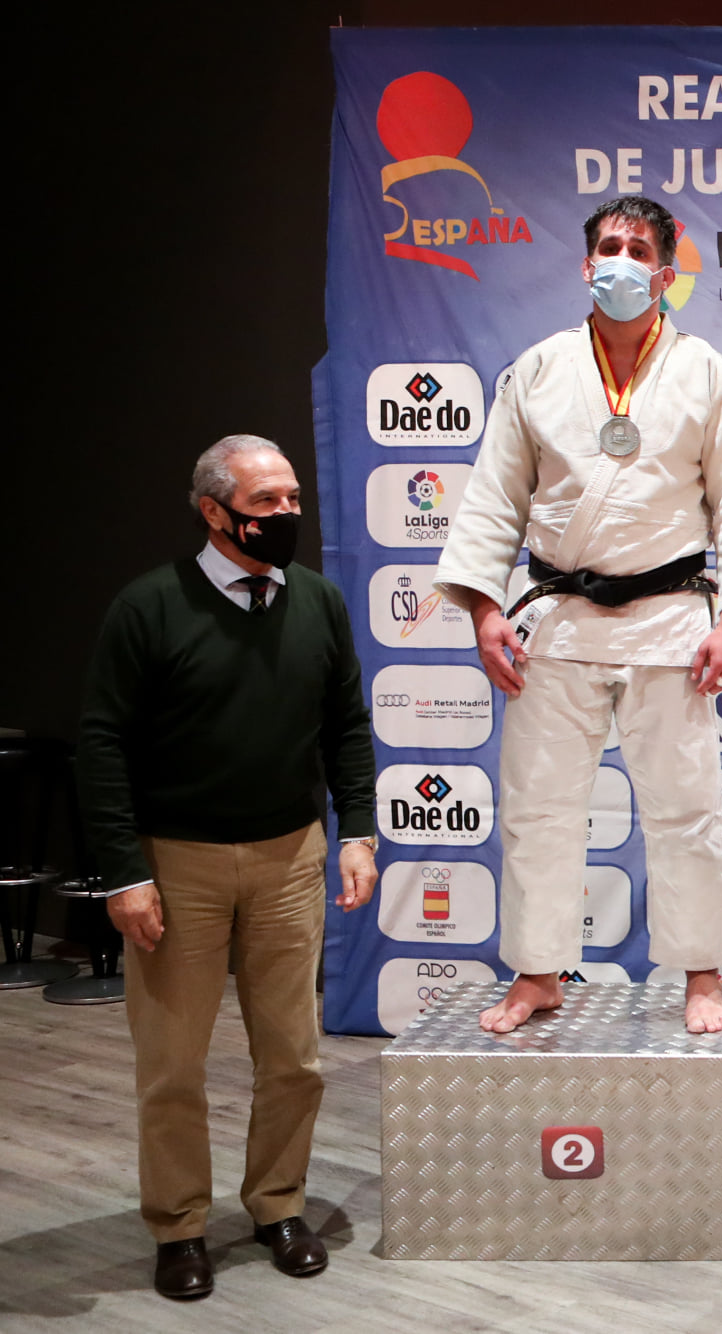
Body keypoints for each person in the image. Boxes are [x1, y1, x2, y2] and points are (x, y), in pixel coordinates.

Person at [435, 195, 722, 1035]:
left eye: (639, 249)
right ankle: (537, 972)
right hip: (559, 618)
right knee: (539, 807)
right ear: (587, 265)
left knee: (685, 809)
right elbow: (493, 500)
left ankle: (703, 974)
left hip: (671, 619)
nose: (622, 261)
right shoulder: (538, 369)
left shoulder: (706, 373)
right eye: (609, 247)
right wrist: (484, 608)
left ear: (665, 273)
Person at [76, 436, 378, 1300]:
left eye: (292, 499)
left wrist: (357, 831)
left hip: (291, 858)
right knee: (172, 1065)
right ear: (213, 511)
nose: (285, 514)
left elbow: (346, 725)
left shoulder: (318, 601)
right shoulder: (149, 607)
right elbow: (101, 743)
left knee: (294, 1058)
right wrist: (124, 872)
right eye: (265, 502)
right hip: (178, 868)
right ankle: (178, 1226)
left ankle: (277, 1206)